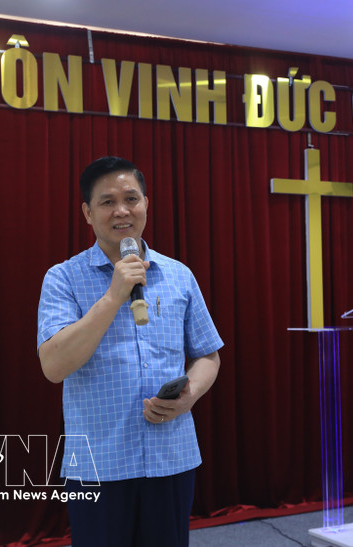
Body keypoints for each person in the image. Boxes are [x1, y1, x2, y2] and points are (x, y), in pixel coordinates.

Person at [37, 156, 223, 546]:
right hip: (98, 464)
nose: (121, 210)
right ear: (87, 213)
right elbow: (54, 365)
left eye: (131, 199)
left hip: (171, 457)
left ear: (146, 204)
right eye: (107, 202)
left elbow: (208, 354)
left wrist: (190, 393)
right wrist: (114, 294)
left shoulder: (178, 274)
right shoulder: (62, 278)